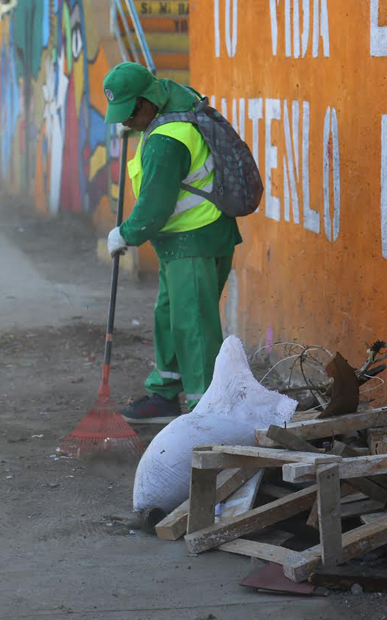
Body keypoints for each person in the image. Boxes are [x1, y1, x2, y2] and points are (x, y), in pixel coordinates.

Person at [102, 62, 242, 422]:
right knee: (170, 316)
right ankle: (164, 394)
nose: (128, 121)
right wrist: (135, 128)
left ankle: (205, 414)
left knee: (194, 326)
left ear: (147, 100)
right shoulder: (176, 98)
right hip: (191, 238)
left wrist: (125, 235)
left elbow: (154, 208)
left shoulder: (166, 141)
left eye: (131, 113)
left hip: (194, 239)